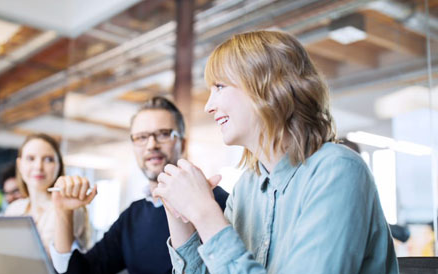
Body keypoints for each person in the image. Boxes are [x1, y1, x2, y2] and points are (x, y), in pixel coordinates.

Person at [153, 30, 399, 273]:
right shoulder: (246, 188)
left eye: (219, 86)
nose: (208, 106)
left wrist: (205, 213)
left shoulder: (338, 170)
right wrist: (179, 212)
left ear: (266, 87)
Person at [50, 96, 229, 274]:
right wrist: (63, 211)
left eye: (163, 134)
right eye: (141, 137)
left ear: (182, 143)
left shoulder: (217, 203)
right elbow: (82, 271)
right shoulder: (132, 217)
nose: (151, 145)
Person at [6, 133, 90, 253]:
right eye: (31, 158)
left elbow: (60, 262)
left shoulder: (71, 209)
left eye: (48, 159)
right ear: (19, 165)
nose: (38, 166)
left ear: (58, 165)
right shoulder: (14, 209)